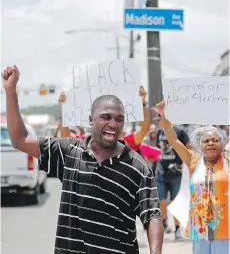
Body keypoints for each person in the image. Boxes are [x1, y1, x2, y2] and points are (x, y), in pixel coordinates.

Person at [2, 65, 163, 254]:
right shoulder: (69, 152)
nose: (113, 124)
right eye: (106, 117)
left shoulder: (137, 167)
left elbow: (152, 215)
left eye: (119, 119)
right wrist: (11, 92)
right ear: (90, 119)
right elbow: (19, 139)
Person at [156, 101, 229, 254]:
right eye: (206, 141)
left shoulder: (227, 160)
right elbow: (174, 141)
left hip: (225, 229)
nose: (210, 143)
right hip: (200, 229)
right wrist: (164, 116)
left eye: (215, 140)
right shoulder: (194, 161)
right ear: (200, 145)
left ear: (222, 144)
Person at [57, 86, 150, 153]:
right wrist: (63, 108)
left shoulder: (126, 143)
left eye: (118, 119)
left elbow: (144, 129)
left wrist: (143, 104)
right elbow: (66, 135)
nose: (111, 124)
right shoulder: (85, 143)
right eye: (105, 118)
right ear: (92, 120)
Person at [155, 113, 190, 239]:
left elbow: (188, 148)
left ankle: (177, 229)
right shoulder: (159, 132)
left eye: (160, 119)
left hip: (176, 173)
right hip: (161, 172)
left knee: (176, 202)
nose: (158, 121)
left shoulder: (180, 131)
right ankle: (164, 223)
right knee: (161, 201)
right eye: (158, 120)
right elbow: (159, 149)